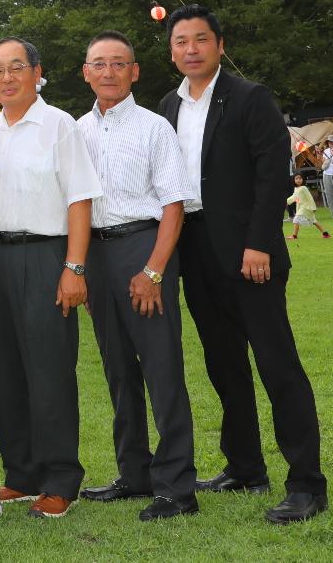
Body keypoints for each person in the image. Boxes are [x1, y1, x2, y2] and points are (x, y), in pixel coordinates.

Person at [153, 6, 327, 524]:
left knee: (277, 364)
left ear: (219, 45)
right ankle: (246, 466)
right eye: (180, 41)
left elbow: (273, 173)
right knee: (223, 364)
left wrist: (259, 243)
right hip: (194, 250)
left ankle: (306, 484)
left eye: (200, 40)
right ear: (171, 50)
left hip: (250, 251)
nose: (190, 49)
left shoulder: (251, 98)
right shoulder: (168, 106)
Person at [74, 30, 198, 522]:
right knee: (118, 369)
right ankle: (134, 473)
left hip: (143, 248)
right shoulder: (75, 131)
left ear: (135, 71)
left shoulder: (153, 128)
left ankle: (176, 488)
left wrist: (153, 269)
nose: (108, 72)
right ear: (85, 72)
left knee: (161, 367)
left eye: (118, 63)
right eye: (98, 64)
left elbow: (173, 204)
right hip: (96, 255)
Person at [0, 37, 99, 520]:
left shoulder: (59, 126)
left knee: (49, 370)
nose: (7, 78)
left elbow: (80, 199)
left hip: (46, 256)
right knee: (4, 371)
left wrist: (74, 267)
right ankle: (22, 473)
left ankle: (60, 477)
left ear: (36, 72)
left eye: (17, 68)